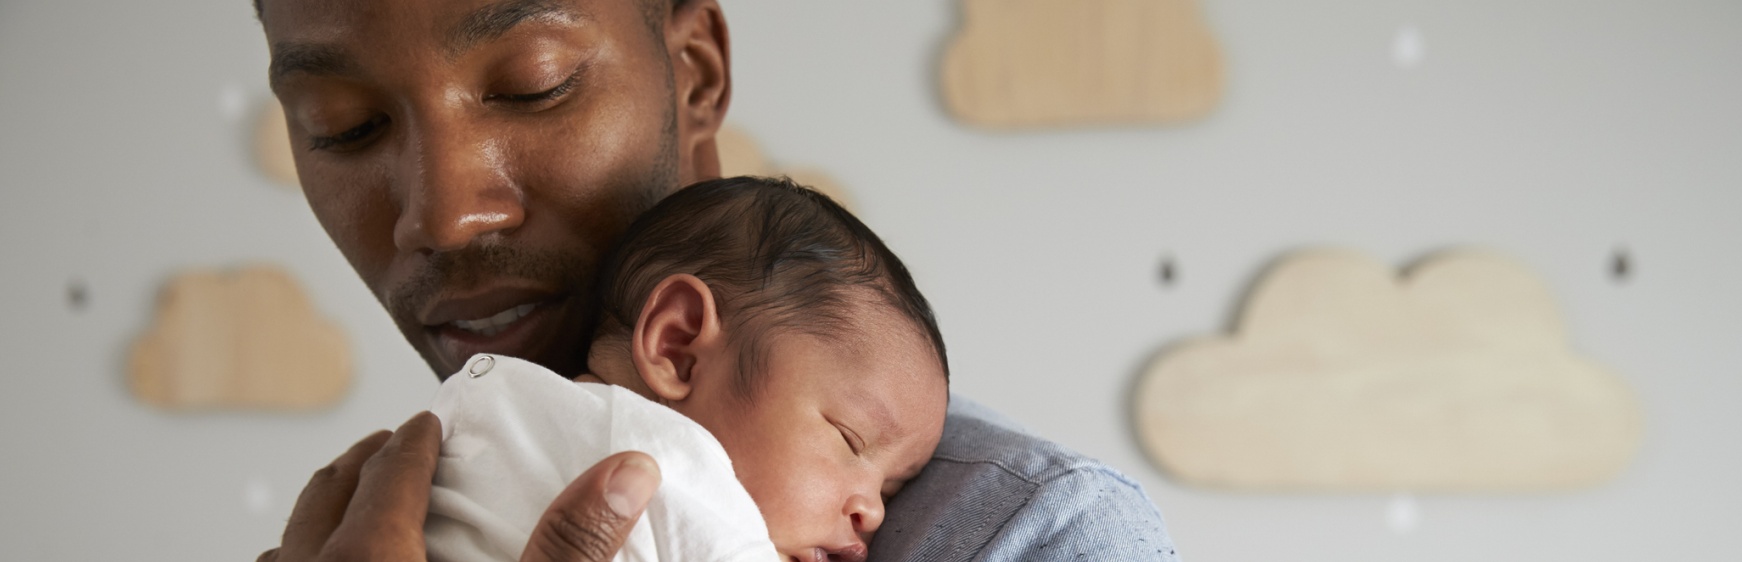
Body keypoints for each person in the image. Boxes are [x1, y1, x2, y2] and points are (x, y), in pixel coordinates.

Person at [253, 0, 1181, 559]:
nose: (445, 215)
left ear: (693, 72)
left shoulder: (1031, 536)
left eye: (532, 84)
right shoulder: (375, 517)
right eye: (343, 126)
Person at [426, 177, 948, 562]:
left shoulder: (499, 412)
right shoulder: (672, 473)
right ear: (678, 348)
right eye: (851, 438)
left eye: (891, 491)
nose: (874, 514)